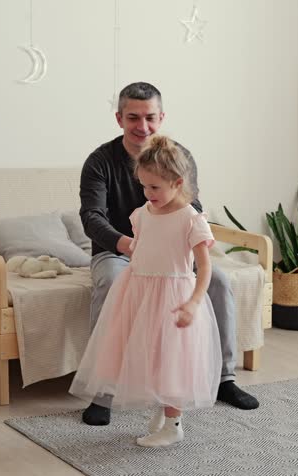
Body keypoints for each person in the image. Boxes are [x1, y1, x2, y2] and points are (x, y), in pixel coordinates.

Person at [77, 82, 259, 428]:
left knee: (218, 281)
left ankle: (224, 379)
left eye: (149, 117)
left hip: (172, 250)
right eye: (133, 117)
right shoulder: (100, 162)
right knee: (113, 284)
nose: (141, 126)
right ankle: (103, 392)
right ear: (119, 118)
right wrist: (128, 245)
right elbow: (92, 217)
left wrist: (184, 242)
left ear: (161, 117)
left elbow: (193, 206)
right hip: (119, 251)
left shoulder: (179, 157)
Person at [69, 135, 222, 447]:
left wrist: (192, 304)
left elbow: (204, 268)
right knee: (151, 356)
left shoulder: (191, 220)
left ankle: (174, 424)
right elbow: (142, 250)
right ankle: (162, 412)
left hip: (174, 298)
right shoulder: (142, 214)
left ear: (178, 182)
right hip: (140, 291)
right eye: (143, 186)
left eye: (155, 188)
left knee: (172, 361)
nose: (147, 194)